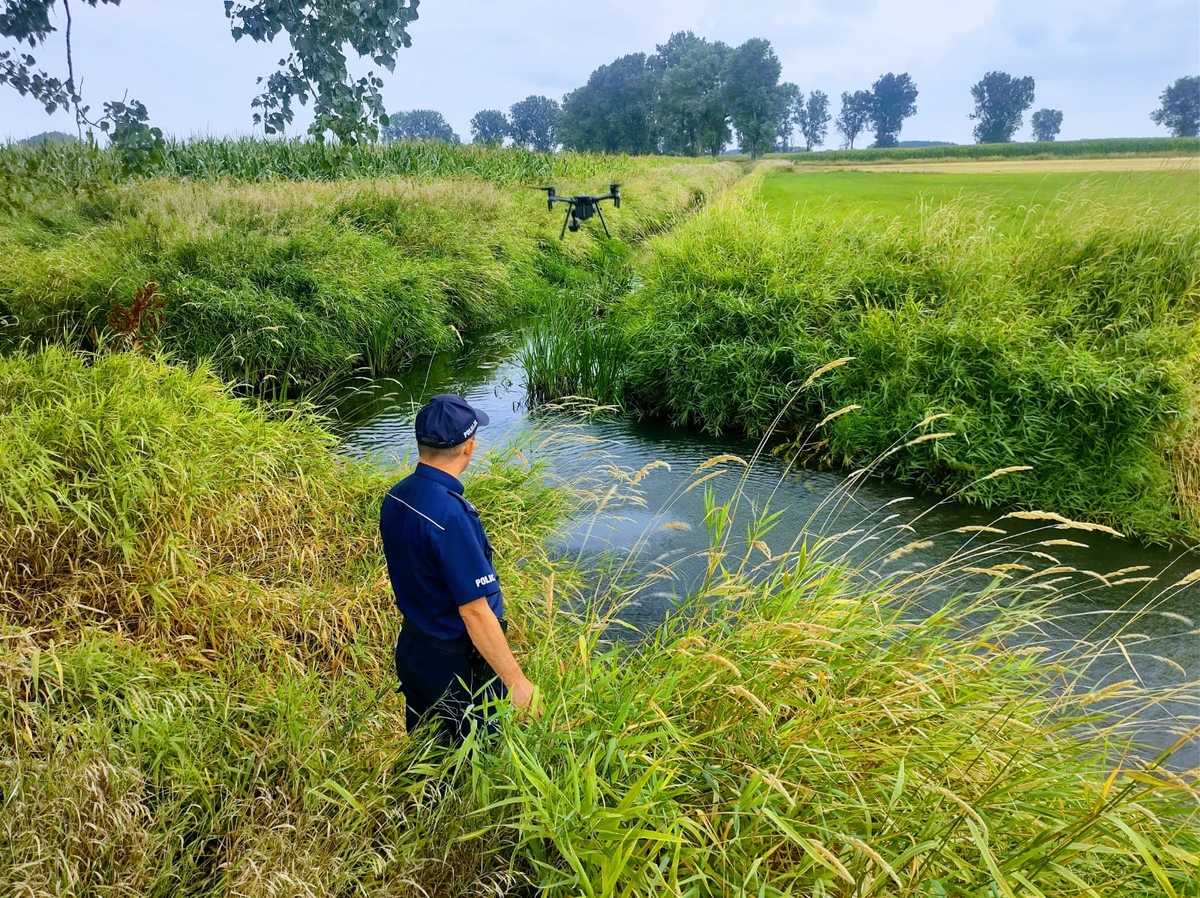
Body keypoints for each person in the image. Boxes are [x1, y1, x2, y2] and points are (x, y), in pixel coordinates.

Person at [380, 393, 538, 744]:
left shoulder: (397, 495)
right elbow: (474, 610)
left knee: (426, 749)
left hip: (415, 649)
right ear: (469, 446)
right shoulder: (451, 515)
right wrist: (516, 682)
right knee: (466, 761)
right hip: (456, 666)